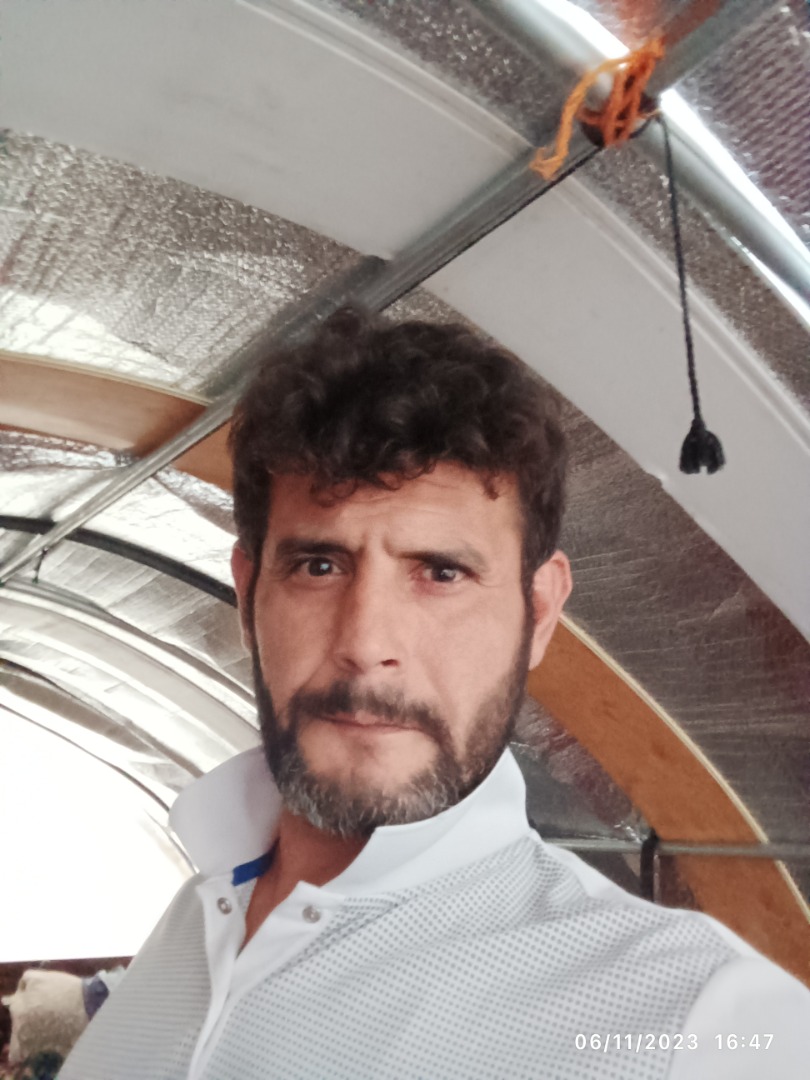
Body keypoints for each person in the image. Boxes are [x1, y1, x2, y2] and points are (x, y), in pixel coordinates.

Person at [59, 308, 809, 1080]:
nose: (366, 642)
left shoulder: (702, 1026)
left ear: (539, 612)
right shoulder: (194, 919)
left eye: (442, 572)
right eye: (319, 566)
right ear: (250, 595)